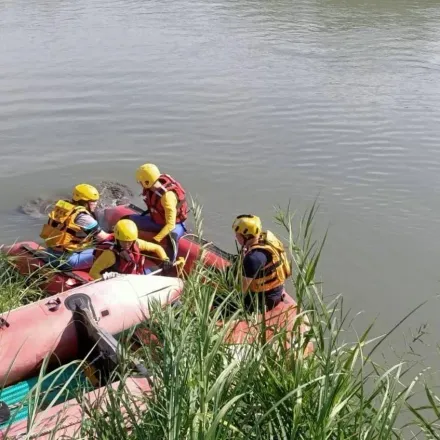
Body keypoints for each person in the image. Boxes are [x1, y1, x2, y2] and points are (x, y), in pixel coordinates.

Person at [40, 184, 113, 271]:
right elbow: (105, 238)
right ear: (84, 202)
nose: (96, 204)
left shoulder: (63, 208)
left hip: (51, 253)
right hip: (67, 261)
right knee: (110, 252)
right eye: (93, 201)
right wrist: (118, 234)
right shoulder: (83, 217)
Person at [126, 163, 188, 261]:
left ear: (147, 182)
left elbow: (170, 225)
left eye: (140, 181)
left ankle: (169, 263)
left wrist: (156, 239)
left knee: (172, 238)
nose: (140, 183)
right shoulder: (152, 188)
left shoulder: (167, 197)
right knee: (126, 220)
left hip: (175, 224)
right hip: (156, 220)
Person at [232, 214, 292, 313]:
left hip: (263, 301)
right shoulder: (265, 241)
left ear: (246, 236)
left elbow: (240, 291)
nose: (235, 236)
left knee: (217, 301)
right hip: (275, 291)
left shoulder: (253, 259)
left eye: (237, 234)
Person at [89, 219, 173, 280]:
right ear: (117, 239)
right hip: (115, 281)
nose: (127, 245)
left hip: (131, 275)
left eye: (129, 242)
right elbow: (93, 273)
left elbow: (157, 248)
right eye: (124, 241)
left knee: (158, 272)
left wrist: (165, 259)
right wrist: (105, 283)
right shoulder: (109, 255)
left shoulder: (136, 243)